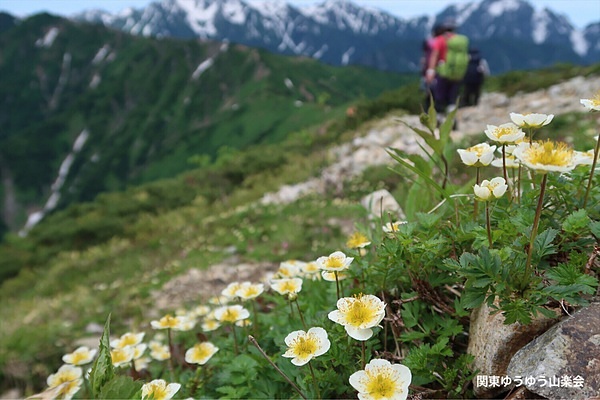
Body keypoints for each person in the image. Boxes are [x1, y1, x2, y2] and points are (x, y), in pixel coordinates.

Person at [424, 20, 469, 126]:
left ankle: (438, 118)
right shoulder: (460, 40)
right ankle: (452, 119)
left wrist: (430, 70)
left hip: (443, 72)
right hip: (457, 73)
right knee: (452, 97)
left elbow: (434, 55)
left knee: (440, 96)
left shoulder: (440, 40)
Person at [420, 24, 445, 111]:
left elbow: (424, 57)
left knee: (429, 92)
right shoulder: (444, 41)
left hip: (428, 70)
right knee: (439, 92)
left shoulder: (428, 41)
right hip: (441, 70)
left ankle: (428, 112)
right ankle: (439, 111)